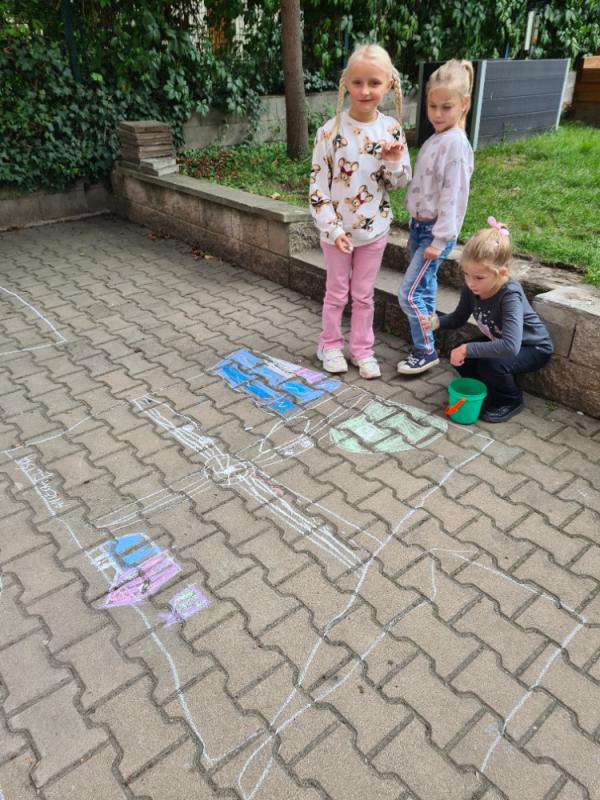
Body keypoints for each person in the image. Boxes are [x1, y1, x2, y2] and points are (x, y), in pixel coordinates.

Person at [309, 43, 411, 379]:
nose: (365, 90)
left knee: (364, 295)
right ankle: (329, 345)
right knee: (337, 292)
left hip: (374, 231)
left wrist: (393, 162)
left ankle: (362, 350)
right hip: (337, 233)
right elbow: (318, 189)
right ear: (346, 84)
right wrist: (333, 229)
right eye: (357, 82)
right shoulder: (330, 132)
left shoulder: (391, 130)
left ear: (389, 85)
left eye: (374, 83)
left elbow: (398, 183)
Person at [426, 218, 553, 423]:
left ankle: (510, 400)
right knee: (463, 354)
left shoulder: (510, 295)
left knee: (490, 365)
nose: (470, 283)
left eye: (478, 277)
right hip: (503, 342)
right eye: (466, 274)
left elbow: (510, 346)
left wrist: (467, 349)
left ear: (501, 273)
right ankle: (486, 391)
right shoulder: (472, 288)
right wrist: (436, 322)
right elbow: (459, 317)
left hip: (533, 347)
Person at [397, 59, 474, 375]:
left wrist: (439, 240)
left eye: (446, 107)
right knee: (425, 289)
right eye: (432, 106)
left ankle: (425, 349)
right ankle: (426, 345)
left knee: (409, 294)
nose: (438, 114)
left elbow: (453, 197)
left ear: (464, 104)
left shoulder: (455, 144)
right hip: (420, 228)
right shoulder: (437, 138)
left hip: (434, 233)